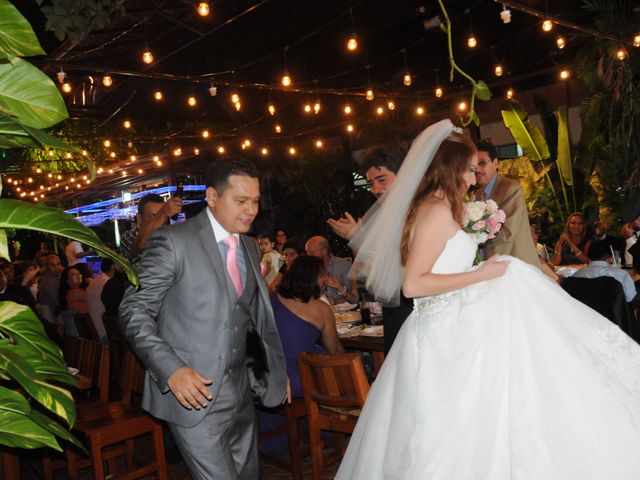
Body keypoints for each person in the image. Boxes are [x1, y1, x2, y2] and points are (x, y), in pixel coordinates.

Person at [336, 119, 640, 479]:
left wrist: (484, 269)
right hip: (441, 334)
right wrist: (479, 275)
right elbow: (413, 285)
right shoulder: (434, 211)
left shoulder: (443, 207)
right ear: (449, 168)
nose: (472, 176)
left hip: (456, 323)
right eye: (467, 168)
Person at [119, 157, 288, 480]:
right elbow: (133, 310)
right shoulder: (173, 241)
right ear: (212, 197)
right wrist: (171, 370)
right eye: (241, 201)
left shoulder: (251, 247)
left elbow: (251, 318)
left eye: (254, 201)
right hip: (194, 396)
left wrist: (272, 372)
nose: (251, 210)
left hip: (241, 393)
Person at [474, 140, 539, 267]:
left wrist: (473, 237)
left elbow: (506, 233)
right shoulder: (476, 195)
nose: (477, 169)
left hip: (514, 262)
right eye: (473, 164)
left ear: (496, 163)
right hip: (490, 264)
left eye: (482, 163)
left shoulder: (510, 188)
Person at [120, 193, 183, 268]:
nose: (161, 221)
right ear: (139, 218)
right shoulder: (128, 236)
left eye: (165, 217)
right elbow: (141, 243)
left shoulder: (169, 235)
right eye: (153, 216)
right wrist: (163, 212)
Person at [573, 239, 638, 303]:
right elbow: (631, 299)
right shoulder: (621, 275)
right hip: (612, 312)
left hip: (583, 311)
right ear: (610, 257)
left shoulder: (576, 275)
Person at [305, 235, 358, 305]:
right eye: (307, 252)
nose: (308, 255)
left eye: (312, 252)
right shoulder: (308, 268)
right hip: (318, 309)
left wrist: (335, 301)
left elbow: (353, 298)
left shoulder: (343, 265)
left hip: (342, 311)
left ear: (324, 251)